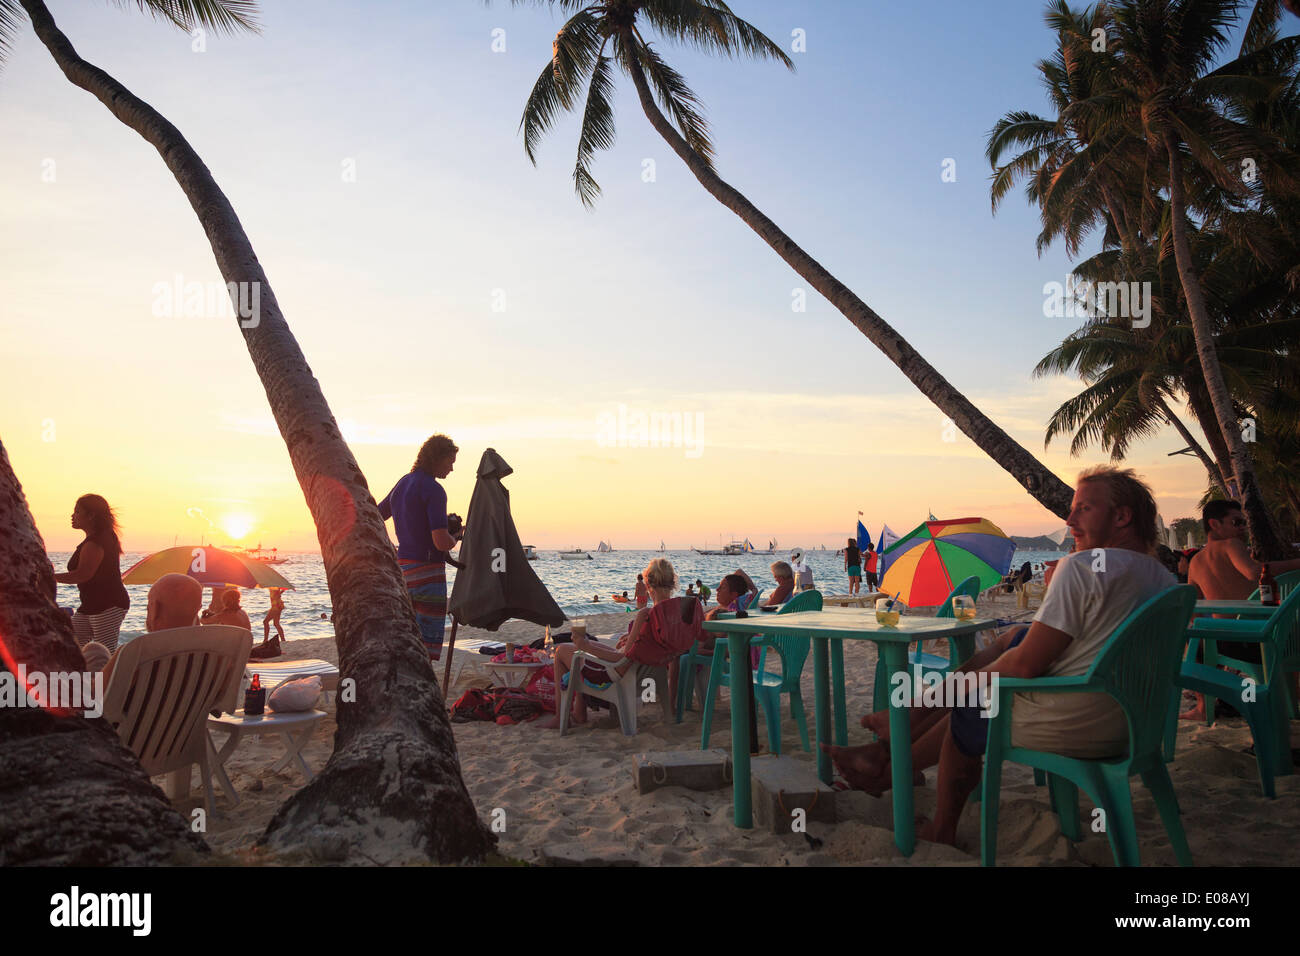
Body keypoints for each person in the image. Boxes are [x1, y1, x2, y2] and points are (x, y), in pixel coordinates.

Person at [826, 465, 1177, 847]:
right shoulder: (1164, 579)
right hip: (1133, 725)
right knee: (1012, 641)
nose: (1069, 518)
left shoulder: (1083, 569)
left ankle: (936, 820)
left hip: (1077, 724)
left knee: (972, 705)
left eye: (1084, 509)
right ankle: (885, 757)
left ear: (1122, 516)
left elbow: (1025, 666)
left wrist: (933, 700)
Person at [1181, 500, 1300, 720]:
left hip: (1224, 643)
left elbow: (1192, 607)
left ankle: (1202, 707)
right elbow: (1253, 573)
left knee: (1195, 644)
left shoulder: (1195, 562)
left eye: (1243, 523)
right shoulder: (1231, 545)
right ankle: (1290, 702)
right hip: (1262, 639)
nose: (1242, 528)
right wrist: (1296, 563)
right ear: (1215, 524)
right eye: (1237, 522)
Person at [544, 558, 680, 728]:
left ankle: (560, 718)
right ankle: (579, 712)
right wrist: (630, 637)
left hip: (618, 674)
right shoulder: (675, 616)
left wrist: (586, 646)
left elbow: (620, 658)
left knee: (562, 651)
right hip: (649, 672)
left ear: (648, 584)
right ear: (673, 583)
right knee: (585, 648)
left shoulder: (646, 614)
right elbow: (650, 646)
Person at [377, 433, 460, 661]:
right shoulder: (434, 490)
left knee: (407, 639)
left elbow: (374, 515)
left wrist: (390, 547)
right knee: (424, 647)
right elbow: (440, 541)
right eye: (450, 462)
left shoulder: (403, 483)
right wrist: (455, 537)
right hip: (428, 573)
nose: (451, 469)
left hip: (403, 571)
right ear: (437, 458)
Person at [53, 494, 130, 653]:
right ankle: (81, 677)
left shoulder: (96, 542)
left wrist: (48, 576)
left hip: (108, 605)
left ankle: (108, 678)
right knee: (72, 647)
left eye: (77, 512)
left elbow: (82, 575)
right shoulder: (100, 538)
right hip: (90, 605)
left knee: (104, 653)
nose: (72, 516)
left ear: (91, 515)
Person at [103, 573, 205, 685]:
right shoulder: (214, 656)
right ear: (198, 609)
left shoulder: (134, 653)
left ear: (155, 609)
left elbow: (95, 696)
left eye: (149, 604)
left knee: (95, 651)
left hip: (125, 701)